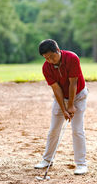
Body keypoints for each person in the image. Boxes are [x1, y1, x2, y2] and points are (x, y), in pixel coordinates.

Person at [34, 39, 88, 175]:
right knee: (53, 129)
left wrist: (70, 106)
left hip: (78, 96)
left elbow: (73, 84)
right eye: (46, 58)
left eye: (52, 56)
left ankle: (81, 164)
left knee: (77, 130)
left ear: (58, 50)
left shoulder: (72, 58)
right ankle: (47, 160)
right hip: (61, 98)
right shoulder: (46, 67)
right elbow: (56, 89)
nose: (50, 60)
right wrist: (63, 109)